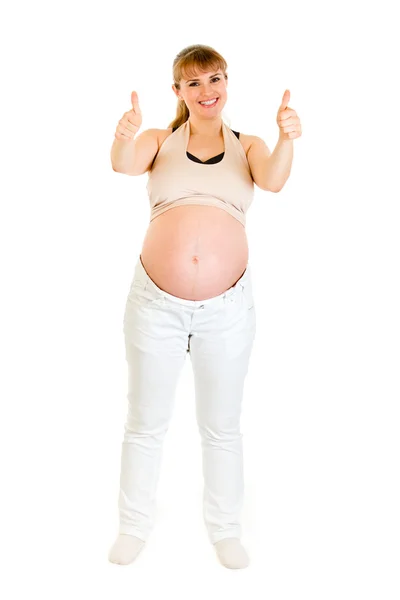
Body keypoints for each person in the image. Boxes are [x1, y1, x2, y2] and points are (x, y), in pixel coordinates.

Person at [108, 44, 301, 570]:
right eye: (193, 83)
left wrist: (287, 137)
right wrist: (124, 135)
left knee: (222, 425)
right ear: (178, 92)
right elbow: (124, 164)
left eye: (214, 79)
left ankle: (225, 531)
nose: (206, 91)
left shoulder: (249, 145)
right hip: (154, 306)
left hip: (227, 310)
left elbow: (275, 179)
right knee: (145, 421)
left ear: (226, 84)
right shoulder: (159, 141)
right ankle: (133, 526)